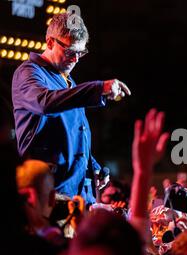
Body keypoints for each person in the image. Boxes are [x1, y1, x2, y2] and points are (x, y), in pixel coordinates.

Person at [11, 13, 131, 205]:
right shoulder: (28, 72)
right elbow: (44, 102)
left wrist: (92, 167)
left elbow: (72, 136)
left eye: (81, 53)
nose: (75, 59)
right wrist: (99, 87)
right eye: (69, 52)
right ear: (50, 42)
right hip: (49, 196)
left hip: (76, 197)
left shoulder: (68, 82)